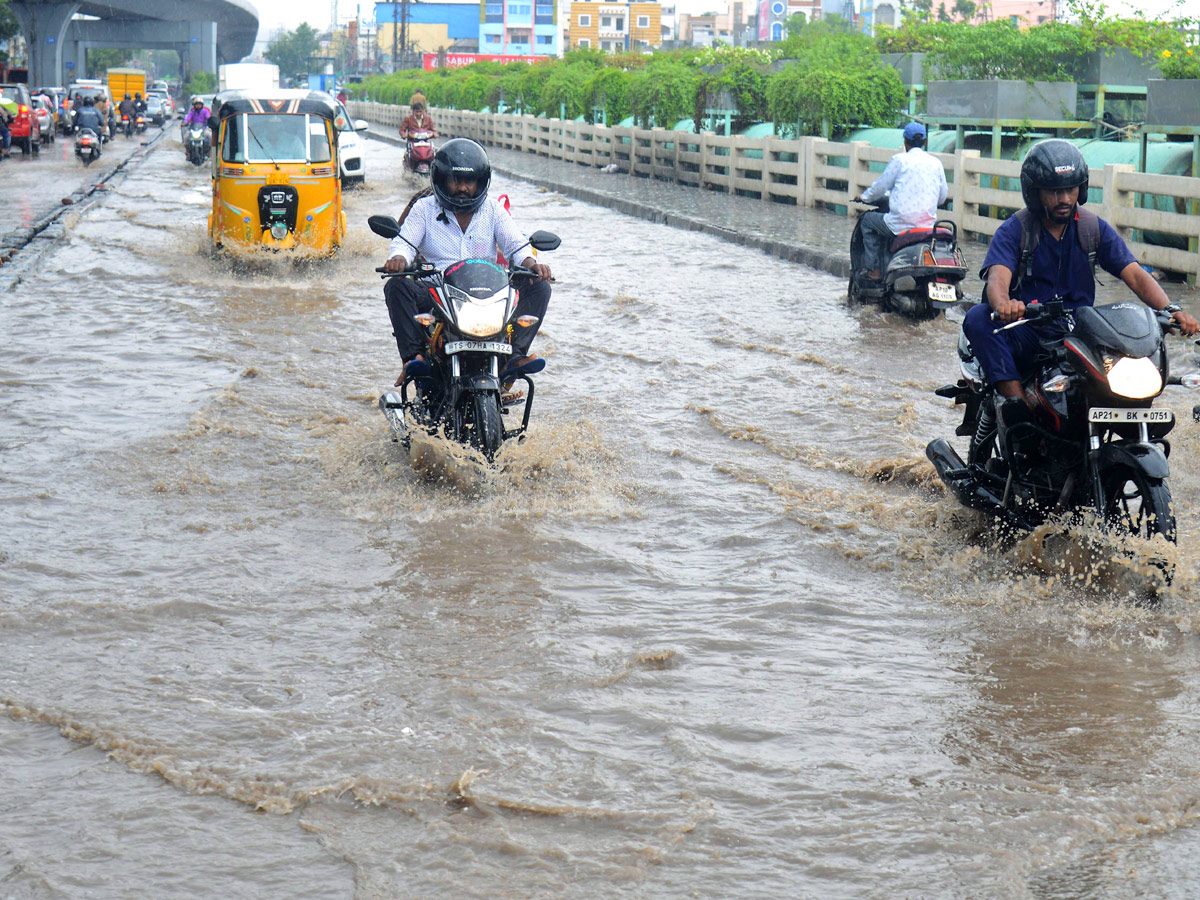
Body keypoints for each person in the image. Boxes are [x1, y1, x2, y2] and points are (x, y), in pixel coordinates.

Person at [962, 139, 1198, 420]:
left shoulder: (1092, 228)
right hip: (1027, 328)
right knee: (978, 318)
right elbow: (997, 279)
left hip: (1080, 333)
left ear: (1081, 189)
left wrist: (1171, 309)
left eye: (1070, 189)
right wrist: (1004, 305)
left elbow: (1134, 274)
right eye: (1054, 191)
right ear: (1034, 193)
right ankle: (1017, 405)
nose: (1064, 199)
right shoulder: (1015, 230)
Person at [382, 138, 552, 387]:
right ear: (441, 179)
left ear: (480, 182)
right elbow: (404, 244)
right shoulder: (423, 209)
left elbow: (516, 245)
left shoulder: (494, 211)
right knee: (396, 287)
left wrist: (532, 263)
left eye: (469, 181)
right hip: (436, 293)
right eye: (455, 180)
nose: (462, 188)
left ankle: (513, 357)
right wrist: (398, 259)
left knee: (540, 286)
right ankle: (413, 358)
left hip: (487, 294)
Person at [852, 121, 948, 283]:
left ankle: (874, 270)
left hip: (900, 224)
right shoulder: (936, 163)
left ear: (905, 141)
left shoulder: (899, 160)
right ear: (924, 142)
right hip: (927, 226)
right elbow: (942, 197)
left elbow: (881, 187)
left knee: (867, 222)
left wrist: (865, 197)